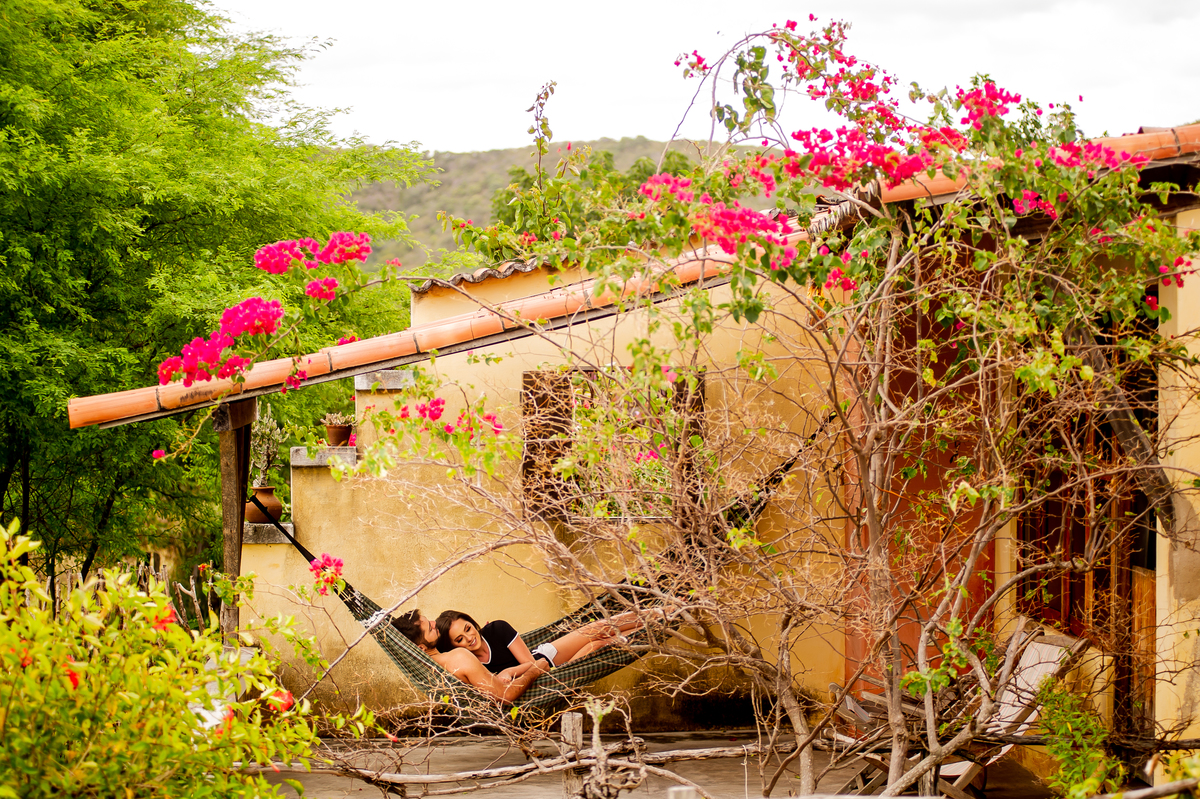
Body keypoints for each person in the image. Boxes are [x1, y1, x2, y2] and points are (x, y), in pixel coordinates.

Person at [434, 608, 649, 677]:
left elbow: (533, 663)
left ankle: (658, 616)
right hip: (548, 680)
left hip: (546, 659)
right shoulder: (467, 664)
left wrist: (509, 673)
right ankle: (645, 632)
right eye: (459, 639)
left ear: (474, 624)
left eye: (468, 628)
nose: (469, 638)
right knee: (600, 646)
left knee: (596, 630)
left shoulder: (497, 629)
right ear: (454, 646)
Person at [390, 609, 547, 703]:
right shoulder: (459, 657)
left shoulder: (430, 665)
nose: (433, 623)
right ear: (421, 647)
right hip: (520, 698)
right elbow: (506, 695)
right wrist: (537, 668)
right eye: (429, 628)